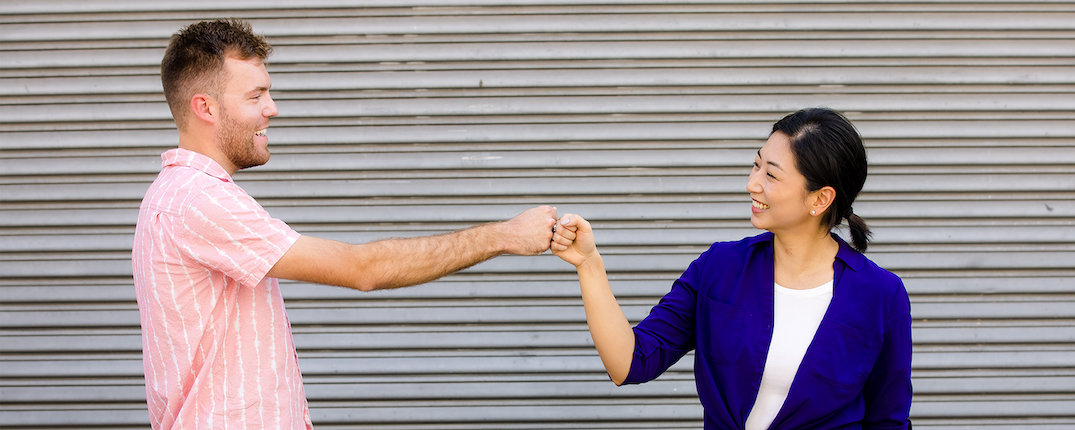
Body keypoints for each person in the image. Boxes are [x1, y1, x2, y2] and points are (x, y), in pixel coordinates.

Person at [132, 19, 558, 429]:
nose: (272, 109)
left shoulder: (177, 195)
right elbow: (363, 270)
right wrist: (503, 235)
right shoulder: (200, 201)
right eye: (255, 96)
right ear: (205, 107)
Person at [551, 108, 912, 429]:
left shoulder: (880, 295)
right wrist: (589, 264)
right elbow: (630, 362)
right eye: (756, 165)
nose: (752, 183)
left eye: (771, 175)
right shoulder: (720, 268)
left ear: (820, 199)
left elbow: (887, 419)